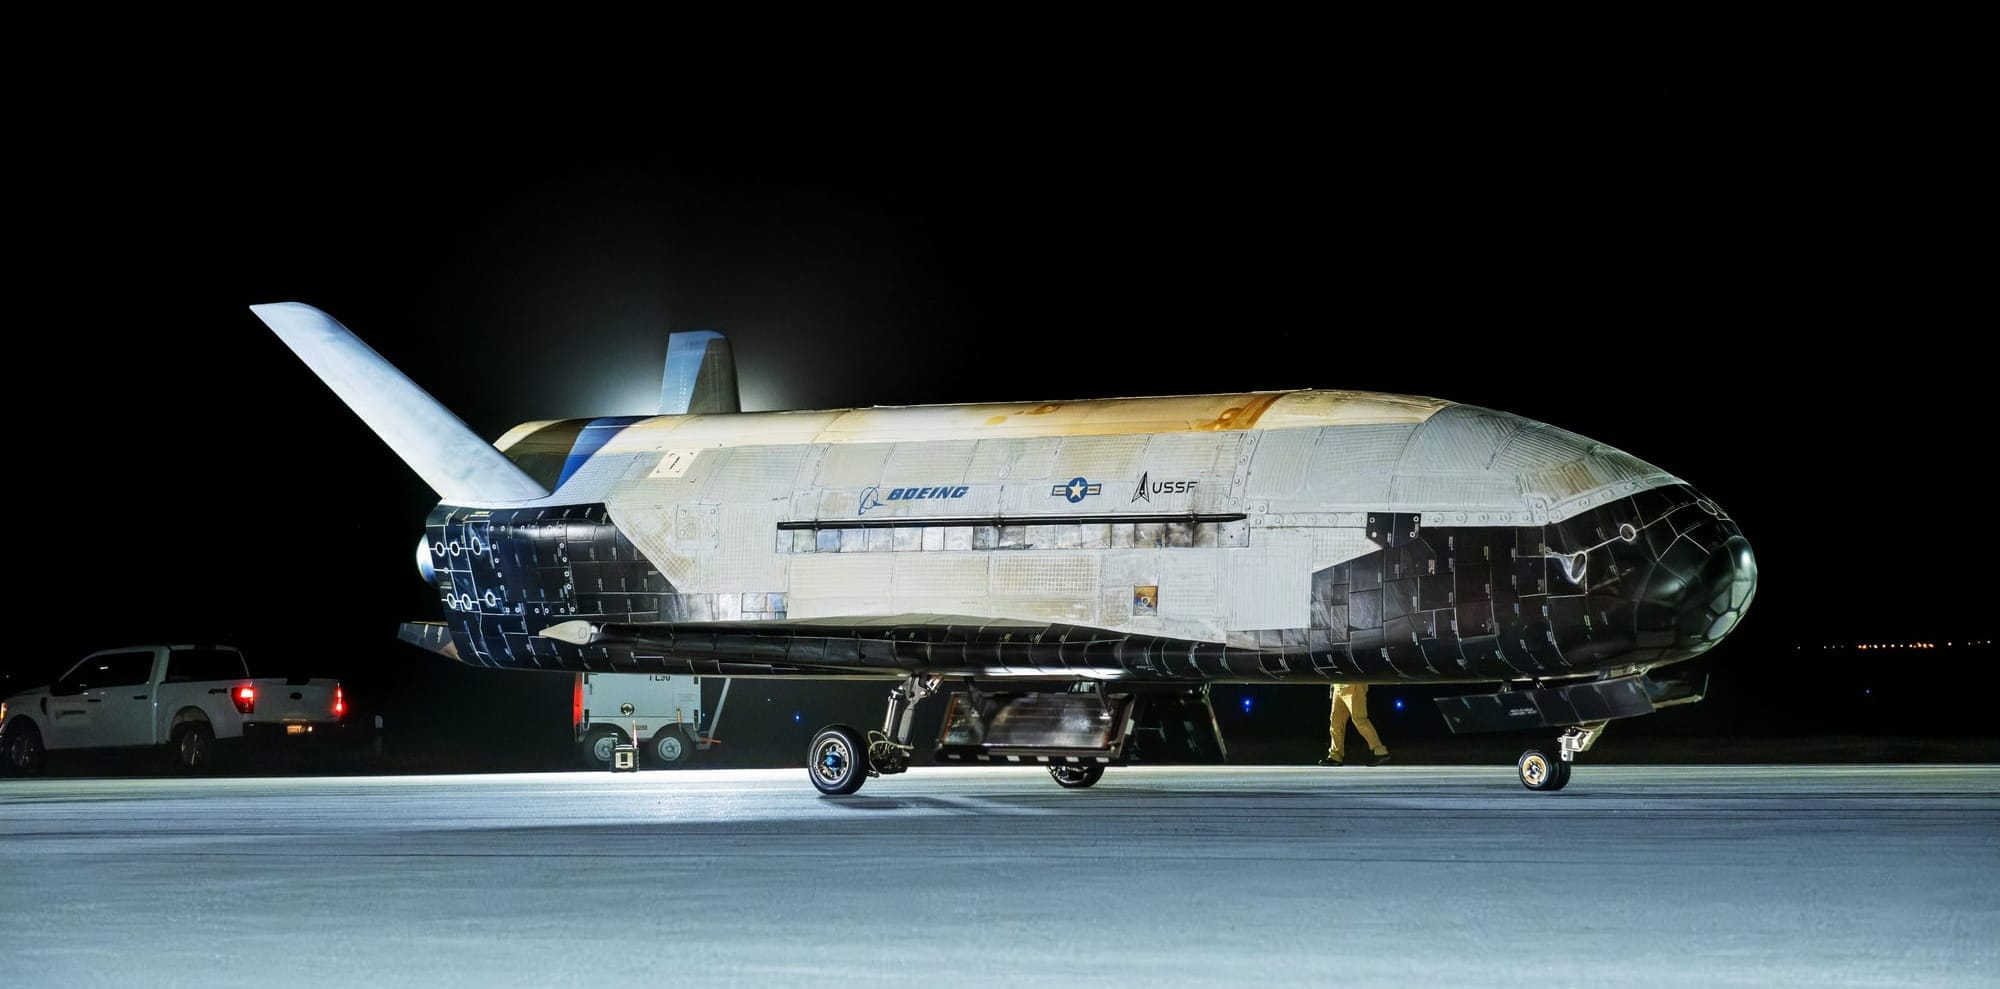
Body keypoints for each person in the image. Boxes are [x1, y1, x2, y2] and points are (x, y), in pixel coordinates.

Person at [1320, 682, 1389, 766]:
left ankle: (1379, 750)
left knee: (1359, 719)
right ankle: (1335, 756)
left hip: (1354, 684)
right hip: (1338, 687)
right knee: (1336, 722)